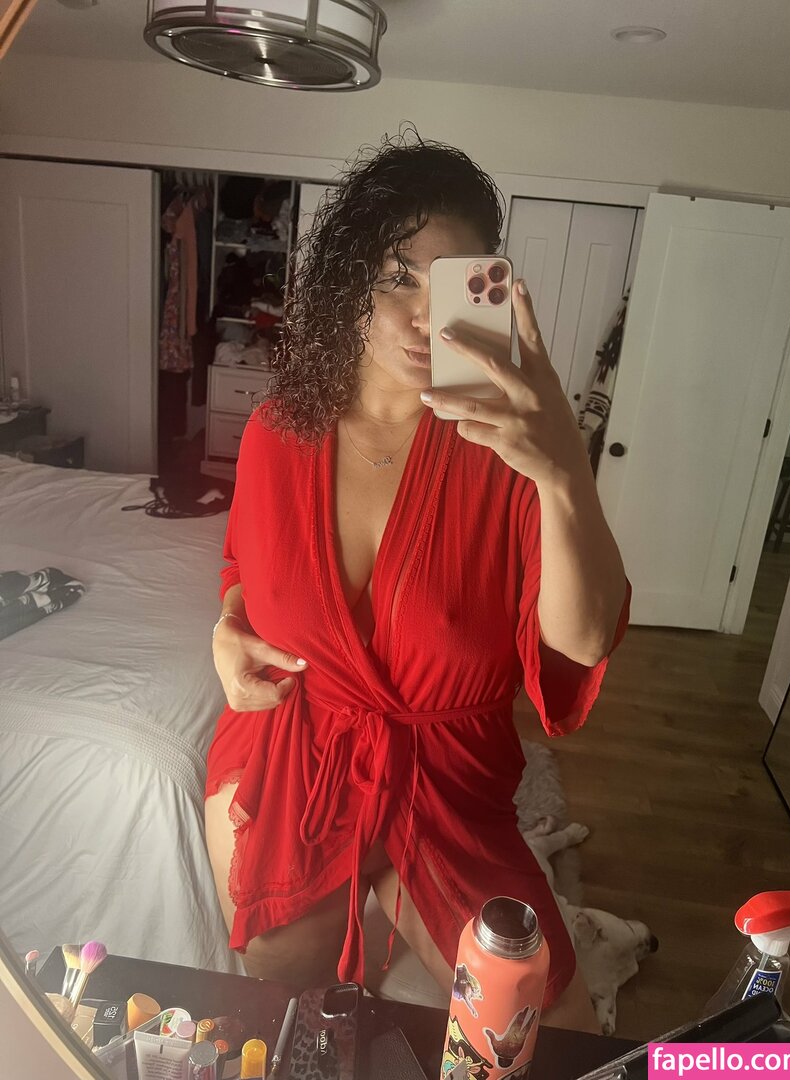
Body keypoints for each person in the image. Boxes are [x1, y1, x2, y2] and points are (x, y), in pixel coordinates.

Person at [204, 129, 632, 1034]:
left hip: (445, 780)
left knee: (544, 1033)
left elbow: (584, 638)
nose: (416, 318)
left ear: (488, 296)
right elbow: (243, 566)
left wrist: (563, 467)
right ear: (348, 282)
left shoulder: (511, 452)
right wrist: (227, 627)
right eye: (397, 276)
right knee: (280, 999)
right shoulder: (277, 433)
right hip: (296, 755)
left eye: (449, 287)